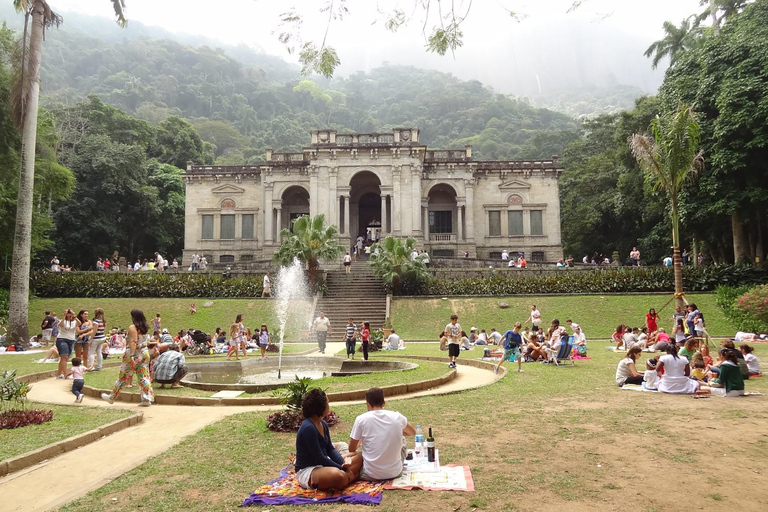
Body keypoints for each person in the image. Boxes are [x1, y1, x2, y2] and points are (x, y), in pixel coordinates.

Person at [294, 389, 362, 491]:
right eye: (327, 402)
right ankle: (348, 477)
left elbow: (330, 449)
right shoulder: (308, 428)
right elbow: (319, 458)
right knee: (339, 476)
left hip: (324, 465)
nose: (329, 405)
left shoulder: (323, 424)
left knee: (360, 456)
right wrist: (342, 468)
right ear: (321, 406)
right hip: (309, 470)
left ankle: (346, 476)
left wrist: (342, 463)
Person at [348, 387, 415, 482]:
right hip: (395, 472)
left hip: (370, 474)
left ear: (367, 404)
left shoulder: (361, 420)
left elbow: (351, 449)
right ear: (384, 403)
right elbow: (412, 432)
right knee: (403, 440)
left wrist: (361, 440)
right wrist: (398, 433)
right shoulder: (397, 417)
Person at [102, 309, 155, 406]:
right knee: (144, 377)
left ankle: (112, 397)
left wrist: (131, 355)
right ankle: (146, 398)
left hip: (134, 353)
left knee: (123, 376)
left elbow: (133, 342)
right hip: (144, 352)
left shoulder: (132, 327)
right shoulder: (145, 327)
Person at [55, 310, 79, 379]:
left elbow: (79, 324)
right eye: (68, 313)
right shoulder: (62, 320)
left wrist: (75, 316)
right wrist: (64, 316)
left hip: (71, 340)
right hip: (62, 339)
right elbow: (61, 325)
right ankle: (66, 374)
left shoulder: (74, 321)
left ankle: (59, 374)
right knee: (64, 357)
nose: (69, 314)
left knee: (65, 358)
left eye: (70, 313)